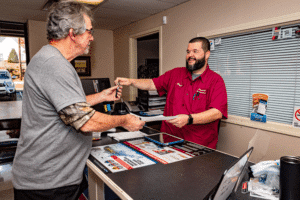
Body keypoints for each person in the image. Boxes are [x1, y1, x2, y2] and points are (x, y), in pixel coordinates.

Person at [12, 1, 144, 200]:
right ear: (73, 33)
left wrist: (101, 96)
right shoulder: (54, 64)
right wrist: (125, 120)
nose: (92, 37)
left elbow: (66, 106)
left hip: (51, 177)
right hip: (47, 183)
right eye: (89, 31)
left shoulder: (50, 59)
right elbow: (85, 121)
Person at [115, 37, 227, 149]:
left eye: (195, 51)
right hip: (169, 140)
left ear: (207, 54)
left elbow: (217, 112)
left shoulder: (216, 80)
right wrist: (130, 81)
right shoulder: (175, 74)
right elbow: (151, 83)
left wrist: (189, 119)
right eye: (188, 52)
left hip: (198, 145)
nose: (190, 55)